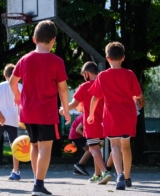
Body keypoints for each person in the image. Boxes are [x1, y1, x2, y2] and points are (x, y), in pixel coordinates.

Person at [9, 20, 71, 196]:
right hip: (46, 113)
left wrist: (17, 95)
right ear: (53, 40)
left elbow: (12, 82)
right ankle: (38, 184)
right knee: (45, 148)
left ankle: (37, 181)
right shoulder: (56, 61)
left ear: (34, 39)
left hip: (27, 112)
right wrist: (66, 110)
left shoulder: (24, 59)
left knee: (35, 146)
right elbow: (63, 89)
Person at [88, 42, 144, 190]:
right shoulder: (130, 74)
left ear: (107, 58)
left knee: (114, 146)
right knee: (126, 146)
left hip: (111, 115)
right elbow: (138, 95)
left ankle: (119, 174)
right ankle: (127, 177)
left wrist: (91, 114)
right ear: (123, 58)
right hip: (128, 115)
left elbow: (95, 97)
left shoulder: (103, 76)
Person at [60, 61, 112, 185]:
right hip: (106, 122)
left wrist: (63, 109)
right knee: (98, 148)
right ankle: (97, 174)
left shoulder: (84, 86)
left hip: (91, 122)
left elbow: (74, 104)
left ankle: (105, 172)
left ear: (86, 74)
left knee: (93, 148)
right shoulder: (104, 85)